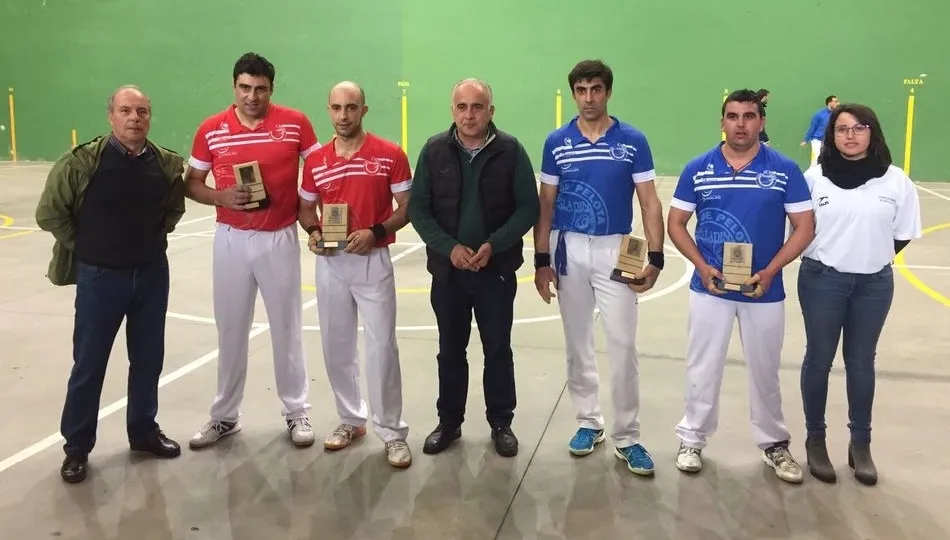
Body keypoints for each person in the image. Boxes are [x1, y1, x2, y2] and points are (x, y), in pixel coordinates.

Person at [35, 85, 186, 484]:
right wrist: (87, 248)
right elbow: (50, 213)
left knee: (148, 359)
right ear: (111, 116)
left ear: (150, 117)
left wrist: (149, 240)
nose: (134, 118)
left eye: (142, 111)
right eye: (126, 111)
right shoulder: (82, 163)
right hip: (100, 278)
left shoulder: (165, 164)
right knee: (89, 365)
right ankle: (77, 448)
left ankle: (143, 432)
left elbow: (173, 209)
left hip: (152, 275)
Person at [667, 89, 816, 484]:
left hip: (764, 292)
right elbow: (676, 223)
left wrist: (770, 270)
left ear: (761, 122)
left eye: (749, 116)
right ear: (722, 122)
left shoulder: (785, 170)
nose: (740, 124)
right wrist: (701, 266)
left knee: (765, 371)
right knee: (703, 367)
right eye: (732, 116)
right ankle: (692, 439)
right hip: (709, 290)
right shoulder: (697, 168)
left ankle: (773, 444)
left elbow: (805, 227)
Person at [533, 59, 665, 476]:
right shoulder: (557, 141)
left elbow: (649, 200)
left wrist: (656, 256)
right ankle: (589, 422)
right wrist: (540, 259)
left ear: (608, 92)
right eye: (581, 90)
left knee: (623, 344)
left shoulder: (632, 140)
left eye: (596, 89)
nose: (588, 97)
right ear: (573, 93)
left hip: (617, 249)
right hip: (568, 247)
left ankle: (628, 436)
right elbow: (546, 204)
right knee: (577, 342)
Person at [183, 52, 321, 449]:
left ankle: (297, 412)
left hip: (279, 237)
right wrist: (220, 196)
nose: (252, 96)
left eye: (260, 89)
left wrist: (322, 220)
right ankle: (224, 416)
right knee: (231, 327)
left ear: (271, 89)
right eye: (245, 87)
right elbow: (192, 182)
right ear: (234, 87)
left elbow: (319, 169)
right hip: (230, 239)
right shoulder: (211, 129)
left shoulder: (295, 123)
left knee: (287, 327)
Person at [407, 78, 539, 458]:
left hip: (495, 273)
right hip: (448, 274)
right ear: (453, 111)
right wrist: (448, 249)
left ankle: (501, 423)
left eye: (477, 107)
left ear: (490, 112)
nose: (469, 114)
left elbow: (527, 207)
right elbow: (419, 208)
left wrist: (492, 245)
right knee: (450, 350)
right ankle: (449, 422)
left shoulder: (511, 151)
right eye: (462, 107)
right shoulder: (434, 151)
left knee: (498, 349)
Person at [798, 103, 922, 486]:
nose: (850, 135)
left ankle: (860, 445)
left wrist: (868, 257)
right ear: (831, 135)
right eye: (841, 129)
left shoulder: (896, 181)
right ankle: (815, 440)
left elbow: (900, 235)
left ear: (873, 132)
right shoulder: (814, 178)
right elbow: (800, 229)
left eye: (859, 127)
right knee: (819, 359)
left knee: (862, 363)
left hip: (873, 283)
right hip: (822, 280)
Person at [297, 81, 413, 468]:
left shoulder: (390, 154)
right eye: (336, 108)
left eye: (351, 108)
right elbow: (305, 209)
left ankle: (393, 432)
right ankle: (351, 419)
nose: (343, 116)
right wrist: (315, 234)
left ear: (364, 110)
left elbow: (407, 207)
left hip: (373, 261)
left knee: (381, 347)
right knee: (336, 346)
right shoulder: (315, 161)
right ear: (328, 111)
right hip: (331, 263)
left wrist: (376, 232)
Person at [801, 95, 839, 167]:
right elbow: (812, 127)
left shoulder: (836, 115)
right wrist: (805, 140)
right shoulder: (819, 114)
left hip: (829, 141)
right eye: (836, 102)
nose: (838, 103)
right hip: (817, 141)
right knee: (815, 161)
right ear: (830, 103)